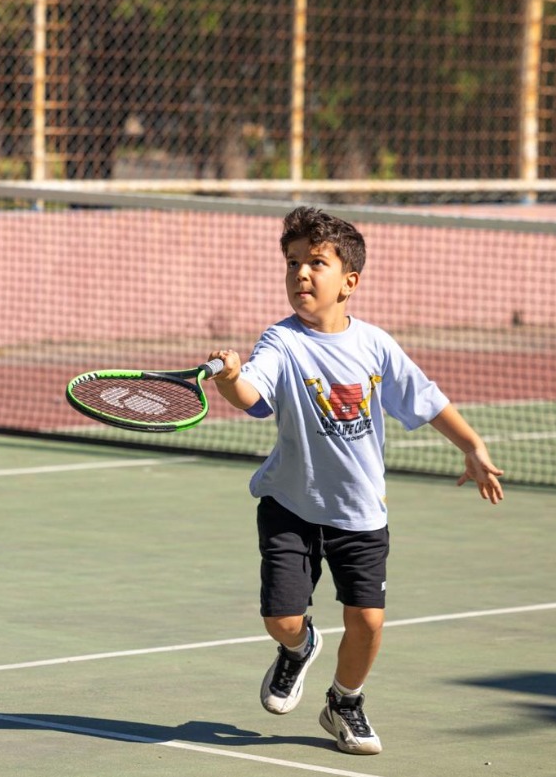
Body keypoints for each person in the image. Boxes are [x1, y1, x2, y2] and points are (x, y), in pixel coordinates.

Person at [208, 205, 503, 755]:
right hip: (290, 505)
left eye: (315, 263)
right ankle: (298, 648)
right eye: (292, 262)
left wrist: (473, 447)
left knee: (367, 620)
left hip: (360, 511)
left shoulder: (375, 345)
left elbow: (427, 399)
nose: (300, 273)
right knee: (281, 619)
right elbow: (252, 397)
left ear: (349, 282)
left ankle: (344, 702)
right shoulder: (280, 342)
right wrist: (229, 379)